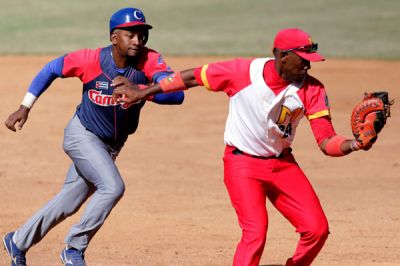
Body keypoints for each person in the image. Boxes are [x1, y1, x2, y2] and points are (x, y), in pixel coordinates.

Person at [111, 28, 372, 266]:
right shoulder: (242, 72)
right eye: (302, 59)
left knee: (317, 229)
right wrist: (143, 92)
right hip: (242, 164)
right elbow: (191, 77)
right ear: (281, 56)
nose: (307, 65)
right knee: (255, 232)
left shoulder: (312, 89)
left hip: (283, 164)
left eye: (310, 60)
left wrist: (354, 144)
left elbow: (326, 140)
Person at [2, 7, 184, 266]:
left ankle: (18, 240)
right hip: (82, 135)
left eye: (142, 34)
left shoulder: (150, 61)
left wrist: (142, 90)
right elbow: (51, 69)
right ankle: (74, 248)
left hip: (110, 146)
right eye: (130, 34)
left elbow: (177, 94)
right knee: (112, 187)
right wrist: (25, 107)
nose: (138, 40)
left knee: (69, 201)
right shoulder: (90, 59)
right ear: (113, 37)